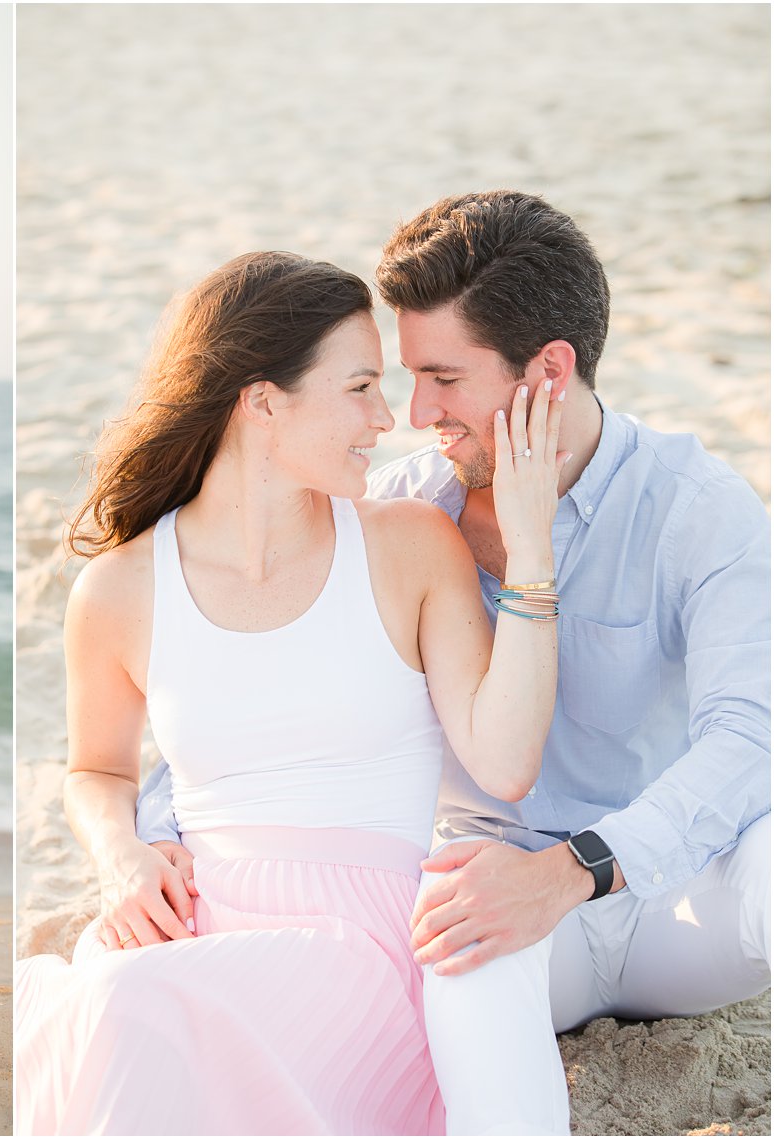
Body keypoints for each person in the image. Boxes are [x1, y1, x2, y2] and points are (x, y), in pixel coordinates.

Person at [136, 191, 772, 1133]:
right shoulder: (396, 518)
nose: (413, 413)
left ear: (549, 370)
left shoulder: (698, 507)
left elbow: (748, 737)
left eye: (443, 377)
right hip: (490, 911)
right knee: (458, 958)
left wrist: (577, 867)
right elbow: (249, 702)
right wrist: (155, 832)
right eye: (403, 377)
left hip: (683, 903)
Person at [15, 250, 570, 1134]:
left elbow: (504, 763)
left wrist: (532, 551)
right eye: (359, 388)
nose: (387, 419)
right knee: (114, 997)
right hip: (195, 919)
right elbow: (97, 771)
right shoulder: (120, 588)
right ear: (263, 401)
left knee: (128, 1004)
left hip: (365, 941)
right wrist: (122, 858)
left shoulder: (409, 546)